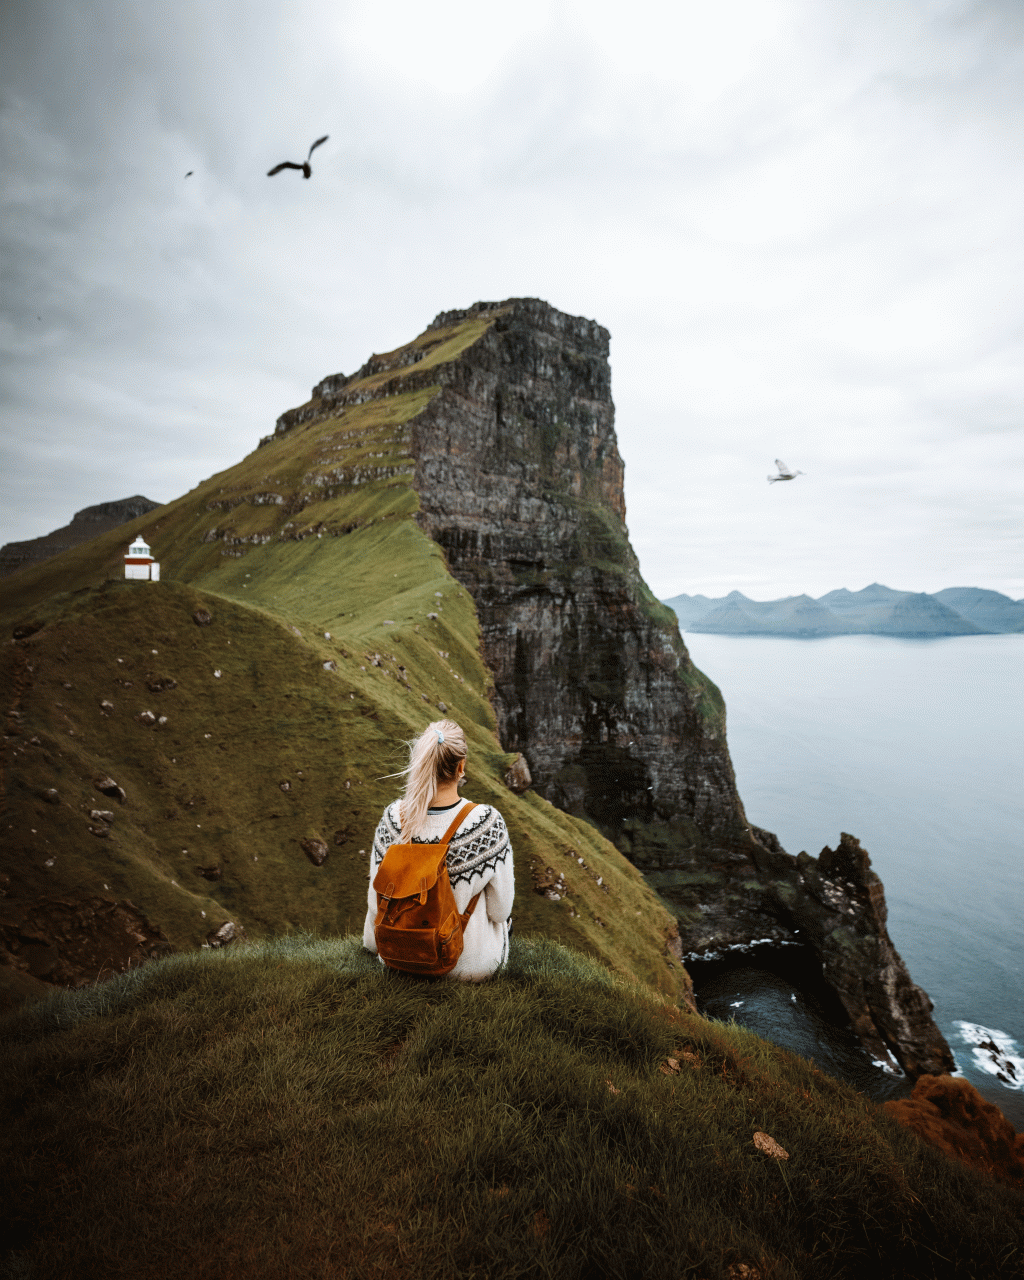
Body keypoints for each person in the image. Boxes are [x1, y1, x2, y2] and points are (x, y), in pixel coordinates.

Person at [362, 719, 514, 981]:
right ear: (461, 767)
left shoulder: (392, 819)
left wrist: (373, 944)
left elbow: (377, 904)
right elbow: (500, 911)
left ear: (422, 763)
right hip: (468, 966)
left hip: (399, 958)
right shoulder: (486, 823)